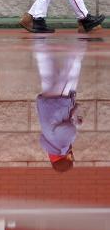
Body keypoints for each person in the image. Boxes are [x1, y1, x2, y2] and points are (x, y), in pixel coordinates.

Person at [33, 40, 85, 172]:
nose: (72, 156)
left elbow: (70, 130)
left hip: (60, 101)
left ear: (65, 158)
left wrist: (75, 121)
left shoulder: (62, 146)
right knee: (46, 63)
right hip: (47, 102)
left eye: (70, 159)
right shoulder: (49, 145)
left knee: (73, 64)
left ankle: (83, 30)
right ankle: (38, 31)